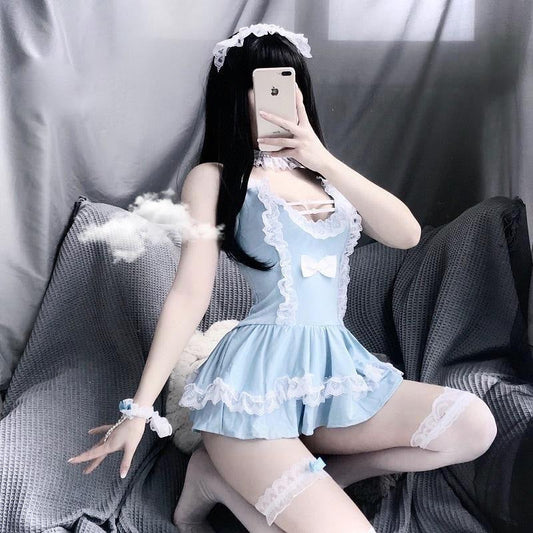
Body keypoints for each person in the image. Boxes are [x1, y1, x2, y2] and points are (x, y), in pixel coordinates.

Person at [67, 23, 498, 533]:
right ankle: (220, 476)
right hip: (251, 390)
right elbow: (189, 294)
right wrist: (139, 411)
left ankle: (307, 477)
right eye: (262, 83)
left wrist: (320, 157)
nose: (278, 96)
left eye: (287, 81)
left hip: (335, 378)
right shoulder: (214, 178)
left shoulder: (324, 176)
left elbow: (405, 234)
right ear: (235, 96)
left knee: (473, 426)